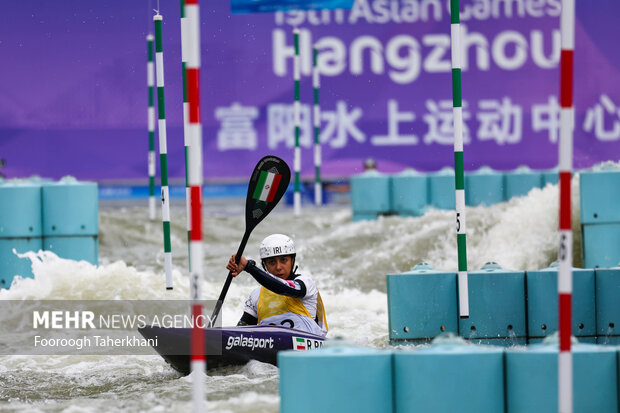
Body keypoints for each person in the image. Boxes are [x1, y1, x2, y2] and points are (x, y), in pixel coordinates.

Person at [226, 233, 328, 337]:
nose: (278, 267)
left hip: (309, 350)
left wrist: (249, 267)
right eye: (271, 262)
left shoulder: (306, 283)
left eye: (283, 260)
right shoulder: (256, 295)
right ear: (265, 265)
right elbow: (240, 334)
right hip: (270, 350)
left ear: (292, 261)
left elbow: (283, 288)